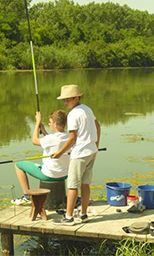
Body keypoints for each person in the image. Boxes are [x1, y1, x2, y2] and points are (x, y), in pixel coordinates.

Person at [52, 85, 101, 226]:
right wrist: (96, 144)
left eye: (67, 99)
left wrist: (59, 153)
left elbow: (72, 139)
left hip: (80, 154)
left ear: (76, 97)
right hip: (91, 151)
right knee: (85, 183)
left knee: (72, 185)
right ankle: (83, 214)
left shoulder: (73, 114)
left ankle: (68, 217)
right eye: (64, 100)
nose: (65, 102)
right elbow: (97, 126)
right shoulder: (87, 109)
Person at [12, 110, 70, 205]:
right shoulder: (69, 136)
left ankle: (27, 196)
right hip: (64, 174)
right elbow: (55, 142)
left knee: (18, 165)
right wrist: (43, 131)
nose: (49, 124)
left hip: (49, 175)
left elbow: (35, 141)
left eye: (50, 122)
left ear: (55, 124)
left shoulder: (50, 139)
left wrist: (37, 122)